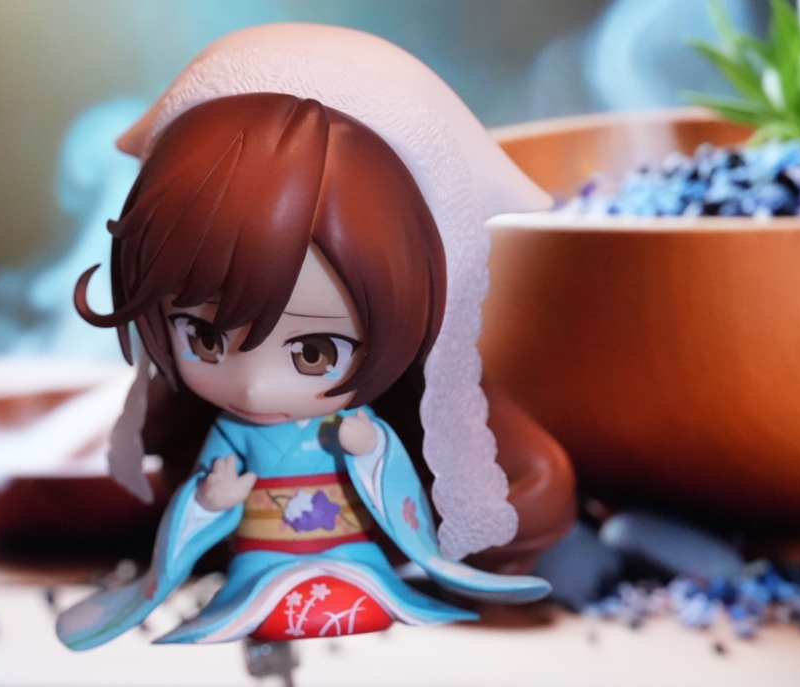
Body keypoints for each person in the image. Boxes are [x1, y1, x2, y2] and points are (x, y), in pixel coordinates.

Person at [58, 24, 554, 647]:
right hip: (258, 566)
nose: (255, 387)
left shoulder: (394, 414)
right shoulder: (222, 431)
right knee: (265, 598)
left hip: (354, 560)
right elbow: (187, 502)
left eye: (313, 352)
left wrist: (371, 450)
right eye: (205, 339)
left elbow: (501, 490)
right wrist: (211, 500)